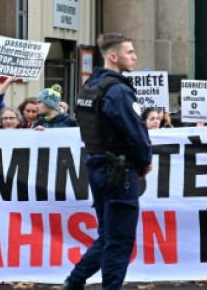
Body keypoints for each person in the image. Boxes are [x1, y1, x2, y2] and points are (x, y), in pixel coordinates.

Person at [61, 33, 153, 290]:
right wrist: (144, 160)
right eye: (130, 52)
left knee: (107, 236)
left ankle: (74, 281)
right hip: (119, 172)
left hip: (97, 167)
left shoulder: (91, 86)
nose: (134, 56)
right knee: (119, 240)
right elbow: (135, 132)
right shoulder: (118, 90)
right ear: (114, 56)